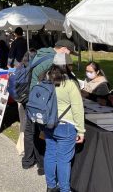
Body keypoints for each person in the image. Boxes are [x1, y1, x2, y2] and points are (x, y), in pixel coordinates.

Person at [23, 39, 75, 175]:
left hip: (29, 96)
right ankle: (42, 165)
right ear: (63, 49)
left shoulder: (41, 52)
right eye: (69, 52)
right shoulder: (53, 59)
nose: (70, 55)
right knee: (41, 132)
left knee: (29, 130)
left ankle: (27, 161)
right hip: (39, 100)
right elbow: (43, 78)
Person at [42, 54, 85, 192]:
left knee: (50, 154)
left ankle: (50, 185)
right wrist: (81, 130)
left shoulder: (46, 79)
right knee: (63, 160)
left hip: (49, 123)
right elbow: (78, 108)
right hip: (66, 125)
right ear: (67, 66)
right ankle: (64, 189)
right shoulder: (70, 84)